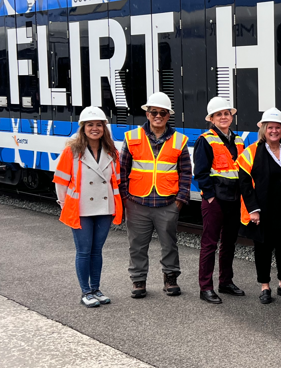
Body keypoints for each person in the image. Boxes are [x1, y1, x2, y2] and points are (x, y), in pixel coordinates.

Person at [120, 92, 192, 298]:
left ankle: (170, 279)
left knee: (169, 244)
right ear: (147, 114)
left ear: (168, 115)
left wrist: (180, 200)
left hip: (167, 203)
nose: (158, 116)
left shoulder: (179, 140)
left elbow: (186, 172)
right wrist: (125, 198)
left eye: (162, 112)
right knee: (137, 245)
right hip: (137, 202)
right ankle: (138, 281)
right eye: (154, 112)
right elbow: (122, 170)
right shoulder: (132, 137)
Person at [53, 106, 123, 308]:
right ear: (83, 128)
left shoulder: (111, 152)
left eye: (99, 125)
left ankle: (97, 289)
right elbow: (60, 181)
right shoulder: (72, 151)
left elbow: (115, 181)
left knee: (97, 251)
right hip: (80, 209)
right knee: (84, 251)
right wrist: (65, 204)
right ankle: (86, 291)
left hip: (104, 208)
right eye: (90, 125)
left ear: (104, 128)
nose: (95, 128)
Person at [193, 97, 245, 304]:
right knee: (209, 244)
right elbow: (201, 173)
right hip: (216, 200)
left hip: (234, 199)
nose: (224, 117)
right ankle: (205, 287)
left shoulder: (238, 140)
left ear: (231, 117)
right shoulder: (205, 140)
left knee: (230, 243)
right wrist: (211, 196)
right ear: (212, 119)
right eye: (219, 114)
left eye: (226, 113)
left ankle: (225, 282)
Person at [237, 107, 281, 304]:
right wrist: (253, 209)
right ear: (263, 129)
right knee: (262, 250)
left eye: (278, 127)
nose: (274, 131)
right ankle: (265, 286)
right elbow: (244, 183)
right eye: (270, 127)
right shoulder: (252, 151)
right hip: (262, 212)